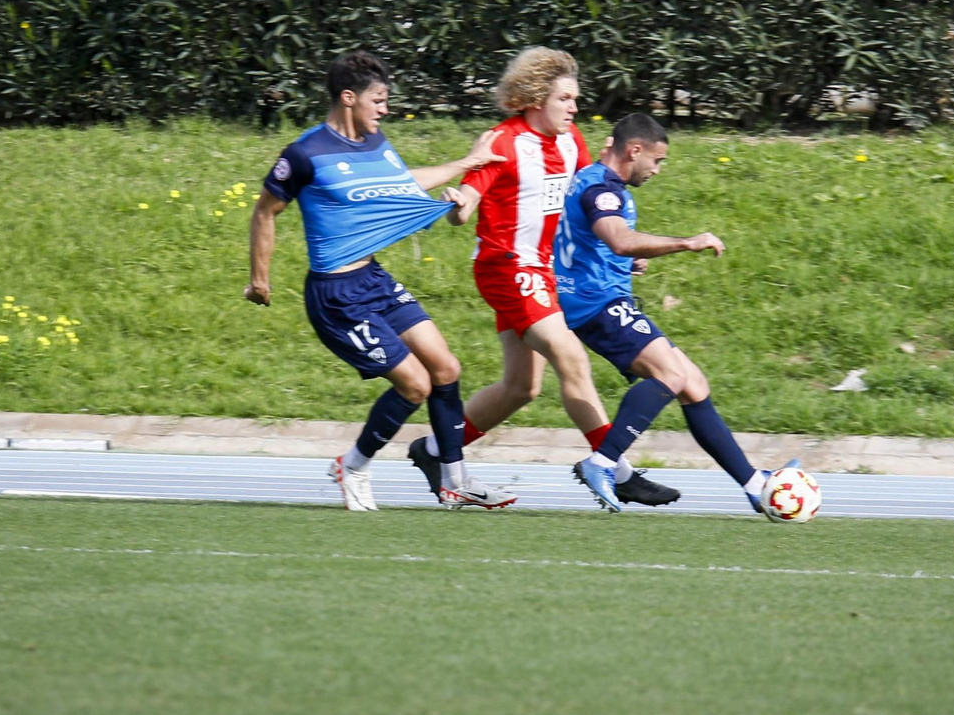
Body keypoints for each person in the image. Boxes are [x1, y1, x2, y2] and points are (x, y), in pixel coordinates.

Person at [405, 48, 679, 507]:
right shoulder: (503, 141)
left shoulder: (571, 141)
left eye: (574, 99)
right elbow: (468, 202)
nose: (574, 108)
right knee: (571, 356)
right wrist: (457, 207)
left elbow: (581, 207)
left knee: (521, 388)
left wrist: (618, 257)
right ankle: (616, 468)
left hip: (543, 268)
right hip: (508, 266)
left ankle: (435, 451)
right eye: (566, 98)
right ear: (536, 98)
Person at [245, 49, 515, 512]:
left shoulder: (376, 143)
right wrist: (259, 279)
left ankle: (456, 481)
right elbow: (264, 211)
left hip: (373, 279)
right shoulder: (305, 153)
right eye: (379, 100)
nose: (385, 109)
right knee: (416, 385)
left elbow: (403, 183)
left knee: (446, 368)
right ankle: (352, 465)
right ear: (348, 98)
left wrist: (465, 165)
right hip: (335, 297)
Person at [554, 112, 783, 515]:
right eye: (656, 161)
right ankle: (602, 463)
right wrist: (686, 243)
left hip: (599, 296)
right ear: (635, 150)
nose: (657, 170)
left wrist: (625, 263)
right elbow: (619, 240)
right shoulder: (604, 191)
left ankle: (753, 484)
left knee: (693, 383)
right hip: (595, 303)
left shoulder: (595, 180)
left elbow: (597, 243)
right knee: (671, 374)